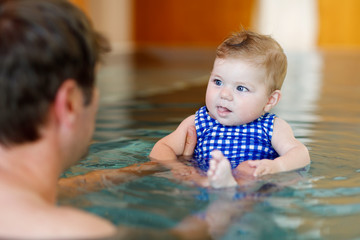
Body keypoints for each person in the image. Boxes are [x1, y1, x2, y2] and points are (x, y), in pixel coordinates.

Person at [0, 0, 233, 239]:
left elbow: (56, 190)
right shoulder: (80, 233)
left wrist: (155, 166)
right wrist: (231, 197)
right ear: (70, 104)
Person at [149, 30, 311, 188]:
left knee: (248, 169)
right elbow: (162, 147)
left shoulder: (272, 127)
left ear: (270, 100)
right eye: (218, 82)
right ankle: (216, 183)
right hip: (201, 182)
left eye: (241, 88)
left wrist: (277, 166)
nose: (224, 94)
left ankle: (229, 184)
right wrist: (178, 167)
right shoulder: (198, 122)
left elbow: (300, 153)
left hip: (249, 191)